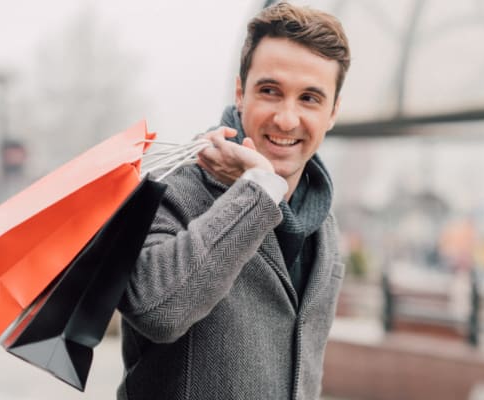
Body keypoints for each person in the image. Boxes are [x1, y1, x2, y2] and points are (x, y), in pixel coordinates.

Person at [116, 2, 351, 399]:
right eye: (270, 91)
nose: (287, 119)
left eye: (310, 98)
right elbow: (156, 310)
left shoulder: (322, 220)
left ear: (332, 113)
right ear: (241, 93)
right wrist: (259, 191)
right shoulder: (175, 186)